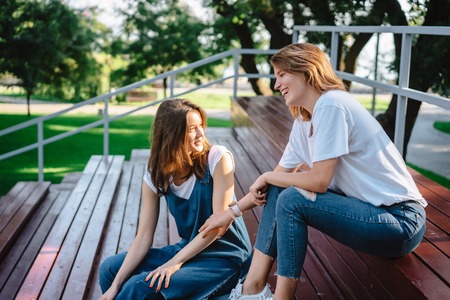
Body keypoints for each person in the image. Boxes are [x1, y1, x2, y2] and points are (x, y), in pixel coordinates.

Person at [199, 43, 427, 300]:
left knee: (293, 199)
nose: (276, 85)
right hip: (370, 214)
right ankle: (252, 289)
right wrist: (230, 213)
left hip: (399, 220)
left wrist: (267, 176)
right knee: (281, 191)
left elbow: (319, 181)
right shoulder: (304, 120)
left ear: (306, 70)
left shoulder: (332, 105)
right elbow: (271, 188)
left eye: (282, 75)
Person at [99, 99, 252, 299]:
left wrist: (174, 263)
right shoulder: (157, 174)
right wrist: (114, 286)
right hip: (189, 250)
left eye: (201, 127)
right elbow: (144, 235)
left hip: (225, 258)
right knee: (109, 269)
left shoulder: (218, 158)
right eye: (191, 129)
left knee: (139, 287)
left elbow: (217, 227)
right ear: (171, 135)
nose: (200, 134)